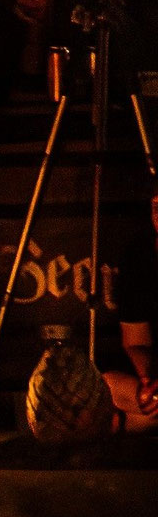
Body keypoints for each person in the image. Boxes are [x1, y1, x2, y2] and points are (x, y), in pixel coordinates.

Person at [104, 181, 158, 432]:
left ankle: (123, 425)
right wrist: (148, 384)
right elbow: (137, 342)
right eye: (156, 208)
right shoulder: (140, 256)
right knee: (107, 386)